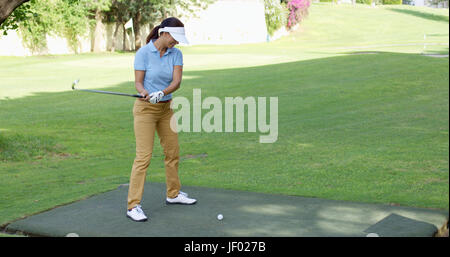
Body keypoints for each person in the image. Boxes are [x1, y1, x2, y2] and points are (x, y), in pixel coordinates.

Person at [126, 17, 197, 222]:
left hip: (166, 108)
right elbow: (138, 83)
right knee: (143, 158)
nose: (177, 42)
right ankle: (133, 206)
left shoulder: (176, 54)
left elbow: (177, 81)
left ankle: (173, 194)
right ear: (163, 33)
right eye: (174, 37)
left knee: (172, 152)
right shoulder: (143, 53)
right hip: (145, 109)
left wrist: (162, 92)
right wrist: (146, 92)